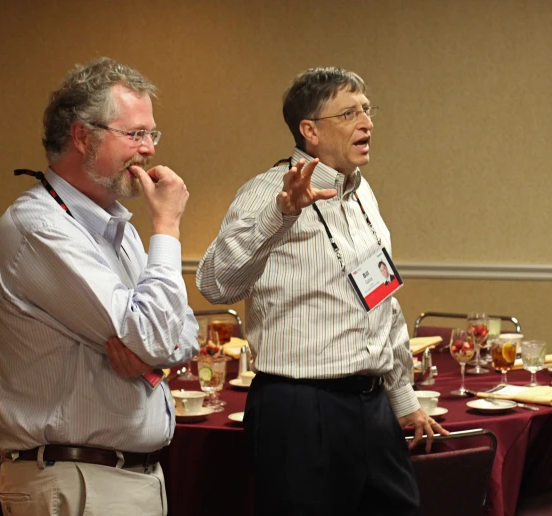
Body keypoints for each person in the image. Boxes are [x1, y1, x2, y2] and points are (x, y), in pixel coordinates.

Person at [197, 66, 444, 515]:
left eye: (367, 110)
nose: (367, 123)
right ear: (309, 130)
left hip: (372, 408)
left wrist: (402, 398)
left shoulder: (361, 194)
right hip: (299, 411)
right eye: (349, 113)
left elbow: (381, 300)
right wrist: (281, 215)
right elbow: (215, 284)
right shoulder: (268, 193)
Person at [0, 57, 199, 515]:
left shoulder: (118, 228)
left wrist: (149, 354)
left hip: (128, 478)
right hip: (76, 481)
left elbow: (184, 336)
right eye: (135, 134)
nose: (149, 150)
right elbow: (158, 334)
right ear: (82, 136)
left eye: (151, 135)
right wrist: (168, 227)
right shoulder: (40, 228)